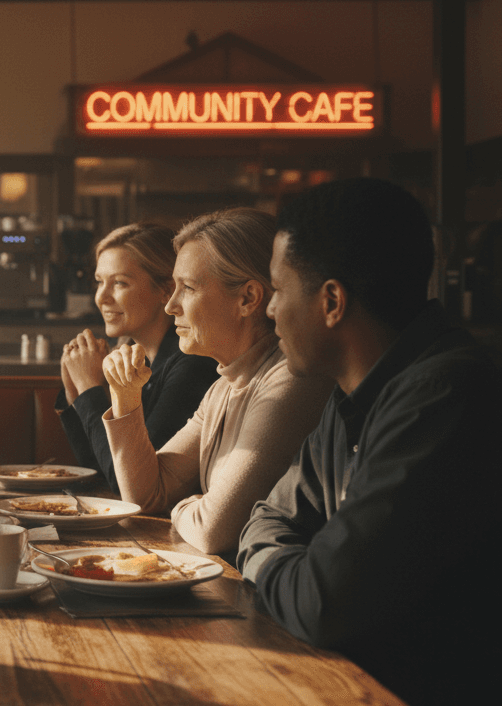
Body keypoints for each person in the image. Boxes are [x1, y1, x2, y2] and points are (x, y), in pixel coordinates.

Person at [238, 179, 501, 705]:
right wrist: (288, 560)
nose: (270, 311)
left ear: (332, 301)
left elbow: (321, 603)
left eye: (280, 290)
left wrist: (267, 563)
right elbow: (266, 517)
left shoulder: (443, 397)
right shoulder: (352, 394)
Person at [99, 208, 330, 556]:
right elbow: (147, 497)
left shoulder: (289, 381)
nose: (171, 306)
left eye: (187, 288)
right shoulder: (223, 384)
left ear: (248, 299)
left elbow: (212, 532)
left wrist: (182, 509)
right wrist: (126, 398)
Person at [57, 223, 218, 491]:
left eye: (119, 283)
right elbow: (97, 468)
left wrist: (89, 389)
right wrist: (76, 394)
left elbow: (127, 483)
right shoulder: (131, 357)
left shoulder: (192, 363)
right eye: (99, 282)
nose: (102, 298)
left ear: (166, 291)